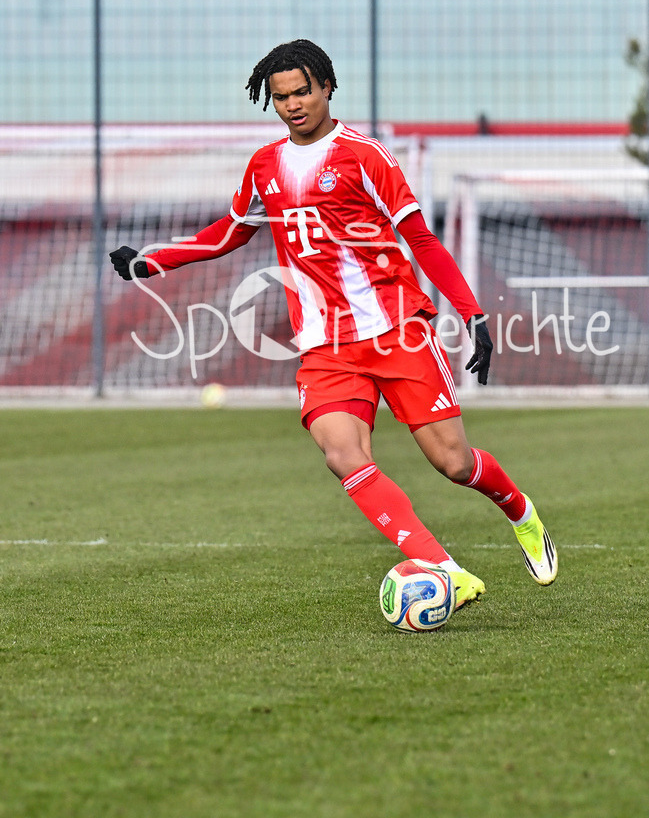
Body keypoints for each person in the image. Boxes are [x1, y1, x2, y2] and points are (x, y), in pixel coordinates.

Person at [110, 39, 557, 608]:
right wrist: (153, 260)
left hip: (396, 328)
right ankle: (443, 568)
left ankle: (520, 511)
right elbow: (230, 231)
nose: (292, 105)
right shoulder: (265, 166)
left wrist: (471, 312)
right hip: (324, 343)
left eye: (301, 91)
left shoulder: (366, 156)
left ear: (326, 88)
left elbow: (420, 239)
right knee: (343, 453)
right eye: (280, 97)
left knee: (454, 463)